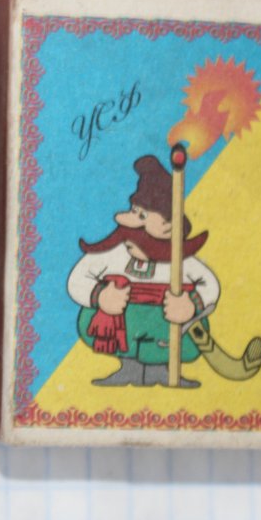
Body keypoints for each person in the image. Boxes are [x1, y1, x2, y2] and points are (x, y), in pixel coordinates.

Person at [66, 155, 219, 387]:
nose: (129, 222)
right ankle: (129, 369)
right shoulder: (114, 252)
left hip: (165, 325)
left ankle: (161, 371)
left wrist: (191, 304)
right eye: (134, 210)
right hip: (122, 324)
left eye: (143, 215)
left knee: (185, 332)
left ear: (168, 226)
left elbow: (210, 285)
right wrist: (100, 296)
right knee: (91, 317)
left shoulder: (182, 261)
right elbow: (78, 278)